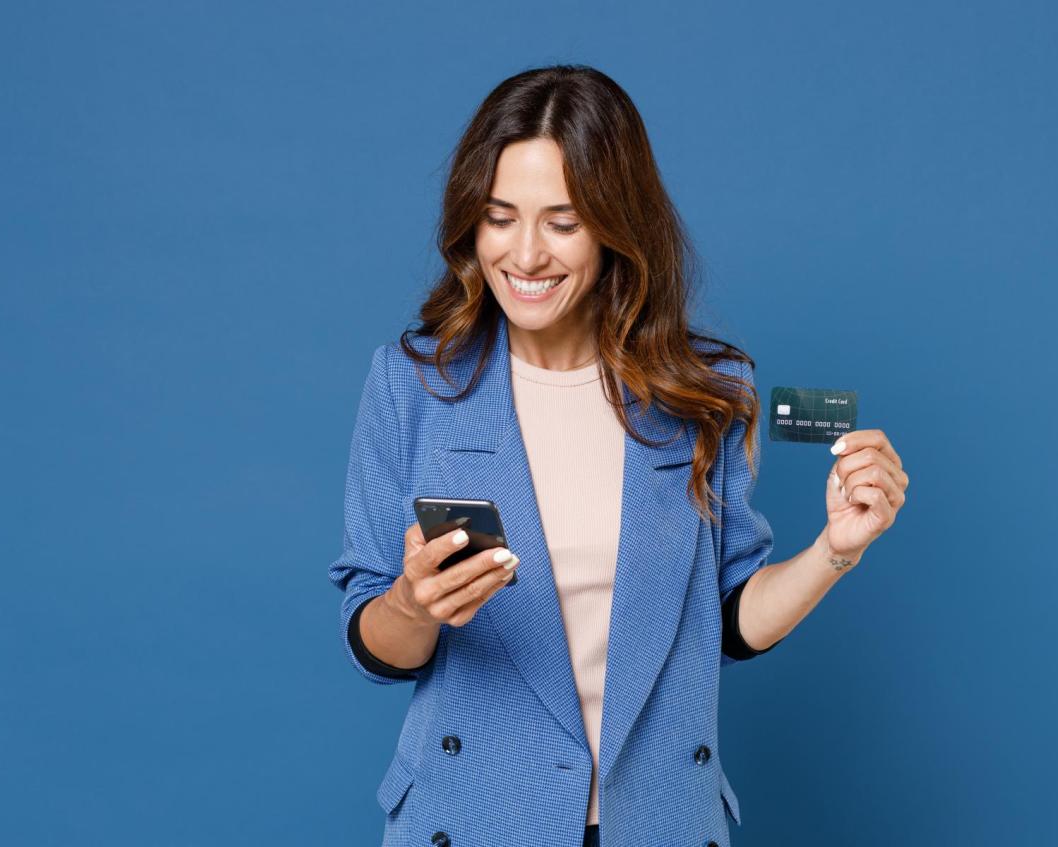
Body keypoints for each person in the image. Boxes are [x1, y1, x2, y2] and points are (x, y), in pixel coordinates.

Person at [329, 64, 909, 847]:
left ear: (616, 225)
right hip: (475, 819)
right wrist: (412, 604)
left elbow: (727, 621)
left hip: (661, 819)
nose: (525, 255)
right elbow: (373, 639)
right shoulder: (411, 384)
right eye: (501, 218)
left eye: (562, 222)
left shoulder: (709, 388)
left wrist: (836, 551)